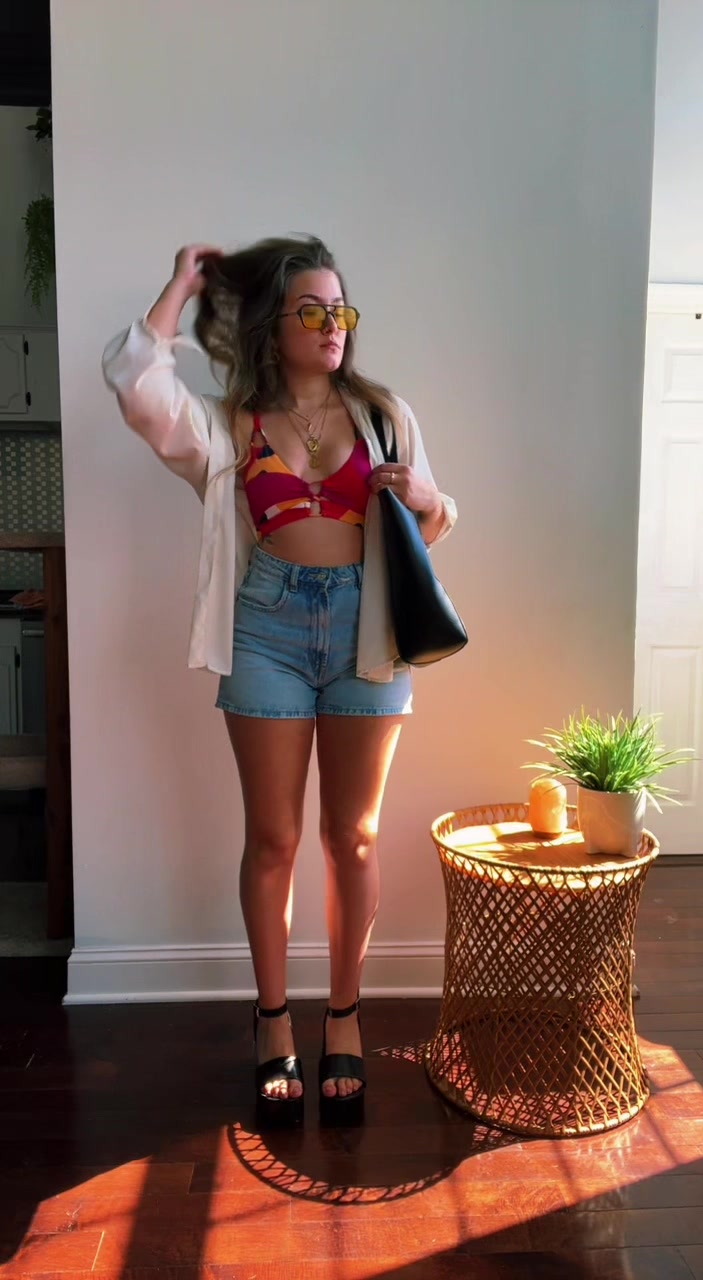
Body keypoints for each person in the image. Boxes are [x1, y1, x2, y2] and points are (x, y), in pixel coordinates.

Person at [102, 235, 457, 1126]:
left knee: (355, 839)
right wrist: (182, 285)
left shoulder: (384, 413)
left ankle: (344, 1017)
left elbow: (429, 525)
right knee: (273, 840)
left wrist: (429, 501)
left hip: (367, 629)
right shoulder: (231, 423)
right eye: (312, 310)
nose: (333, 325)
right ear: (274, 322)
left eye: (341, 310)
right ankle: (271, 1022)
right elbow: (137, 385)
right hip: (267, 626)